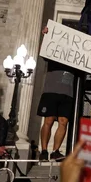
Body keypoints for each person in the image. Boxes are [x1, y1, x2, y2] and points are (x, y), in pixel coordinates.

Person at [37, 28, 77, 161]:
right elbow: (44, 51)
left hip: (68, 93)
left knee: (63, 122)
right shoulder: (54, 54)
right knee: (48, 120)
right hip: (51, 90)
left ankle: (55, 151)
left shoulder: (75, 57)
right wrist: (45, 36)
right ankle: (43, 151)